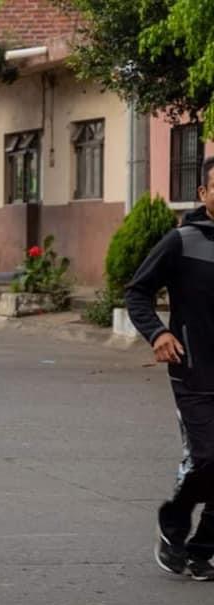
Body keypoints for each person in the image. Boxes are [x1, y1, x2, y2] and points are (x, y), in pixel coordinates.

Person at [126, 156, 214, 581]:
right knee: (210, 460)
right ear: (204, 193)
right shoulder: (182, 241)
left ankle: (201, 551)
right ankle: (175, 521)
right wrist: (159, 334)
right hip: (195, 370)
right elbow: (137, 292)